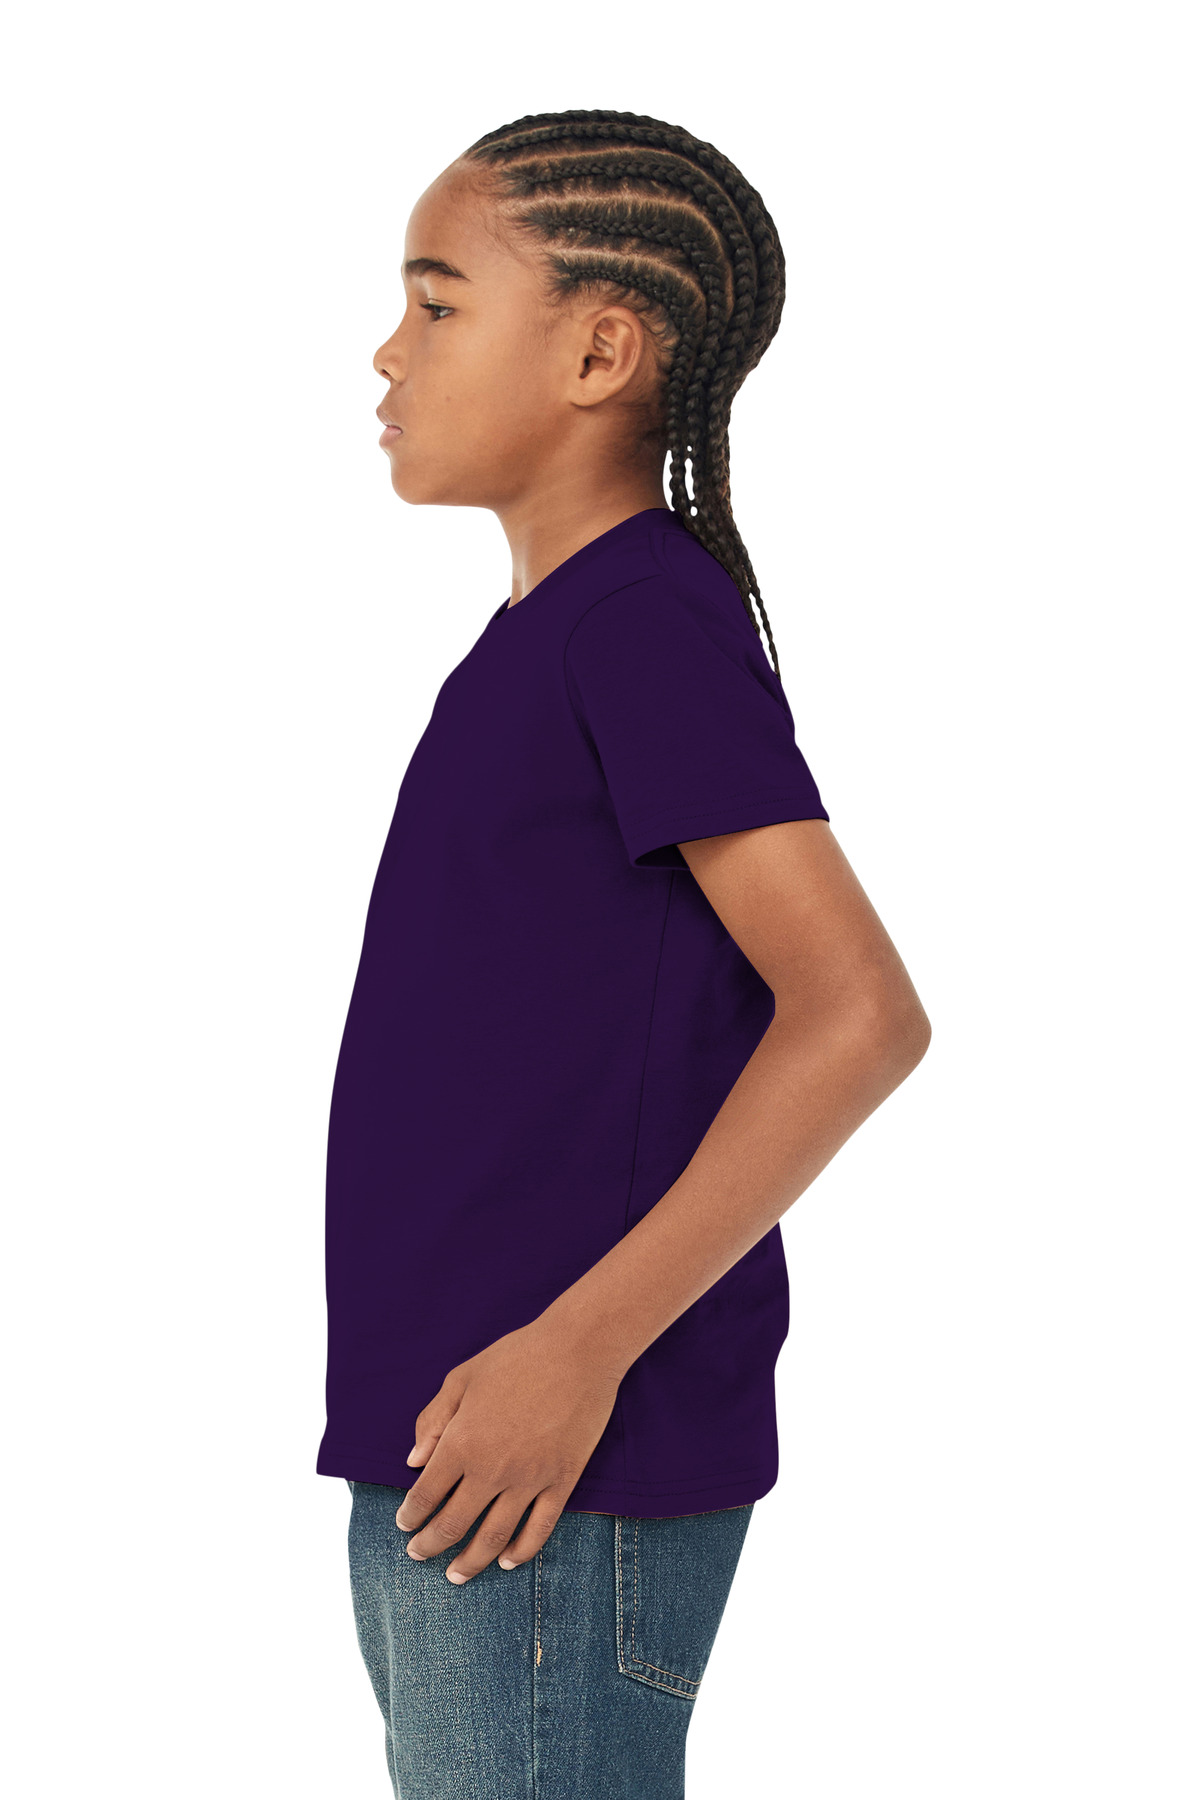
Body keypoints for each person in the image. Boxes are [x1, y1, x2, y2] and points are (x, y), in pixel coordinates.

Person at [317, 107, 931, 1799]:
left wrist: (578, 1350)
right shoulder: (546, 638)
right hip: (469, 1441)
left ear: (600, 351)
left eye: (438, 302)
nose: (388, 350)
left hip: (555, 1460)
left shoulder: (637, 622)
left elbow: (860, 1013)